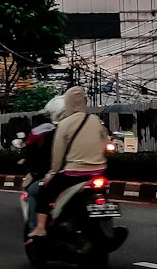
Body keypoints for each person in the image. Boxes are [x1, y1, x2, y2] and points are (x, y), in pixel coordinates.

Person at [28, 85, 107, 238]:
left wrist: (51, 174)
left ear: (68, 102)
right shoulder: (95, 120)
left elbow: (57, 155)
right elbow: (105, 144)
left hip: (74, 174)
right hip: (99, 172)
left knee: (45, 192)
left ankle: (40, 227)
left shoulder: (64, 124)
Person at [18, 96, 64, 231]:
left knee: (34, 191)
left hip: (59, 172)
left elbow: (33, 152)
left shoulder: (49, 132)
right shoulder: (92, 123)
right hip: (93, 172)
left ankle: (35, 227)